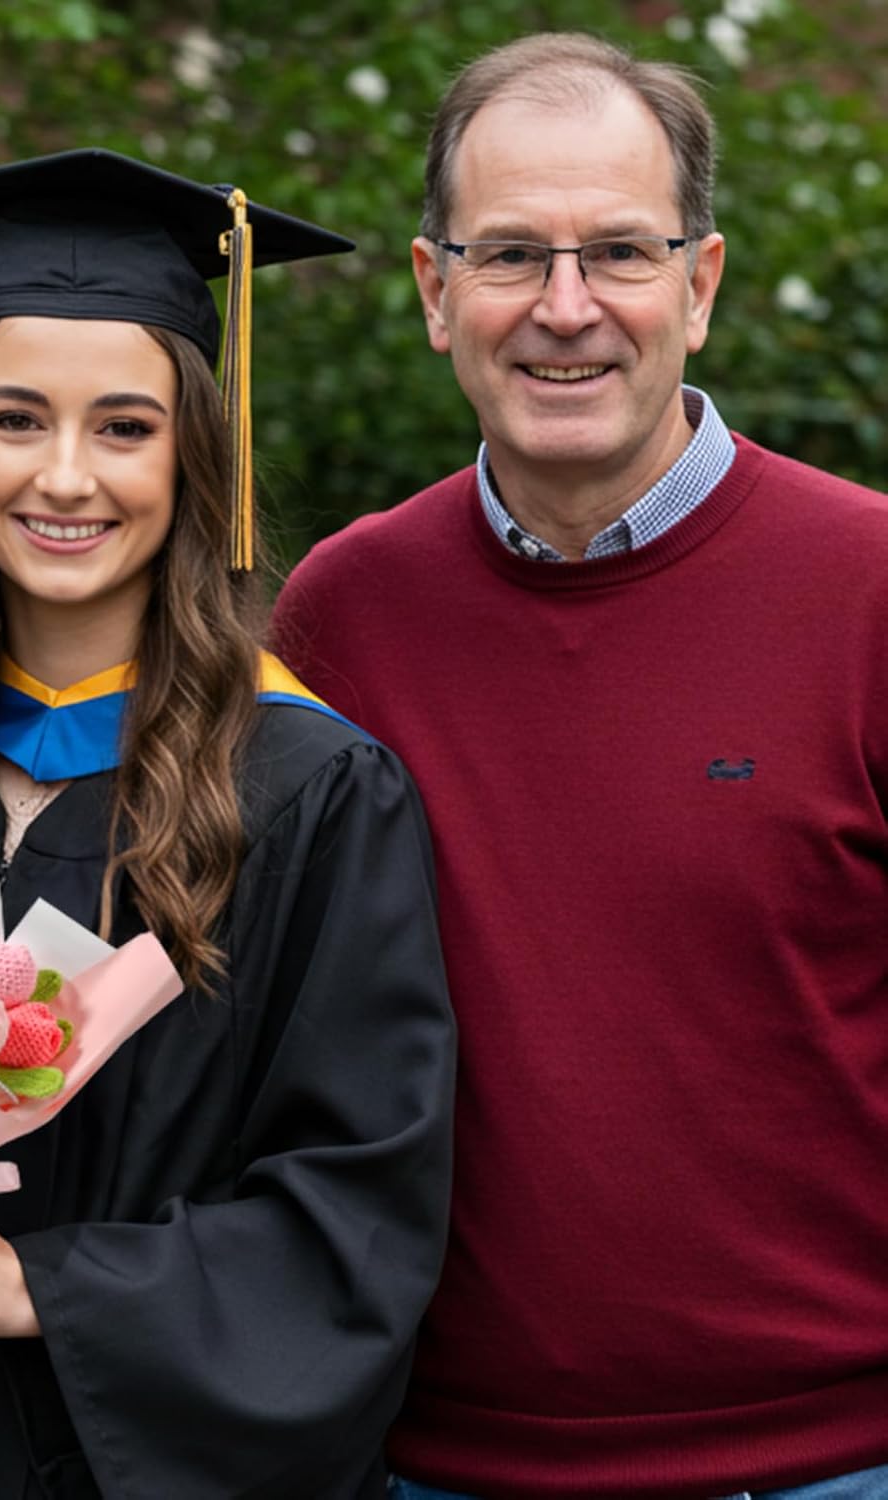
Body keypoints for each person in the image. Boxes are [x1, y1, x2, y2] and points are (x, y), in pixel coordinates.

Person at [274, 31, 888, 1499]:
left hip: (833, 1461)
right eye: (509, 257)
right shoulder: (343, 619)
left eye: (619, 250)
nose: (566, 310)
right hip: (437, 1466)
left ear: (702, 282)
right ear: (436, 292)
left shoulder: (870, 590)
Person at [0, 149, 457, 1499]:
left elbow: (358, 1210)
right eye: (14, 420)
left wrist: (43, 1285)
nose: (65, 477)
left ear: (191, 454)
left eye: (123, 426)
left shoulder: (309, 791)